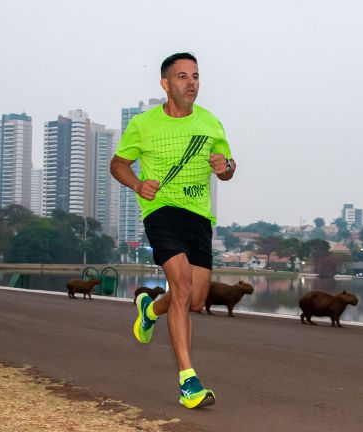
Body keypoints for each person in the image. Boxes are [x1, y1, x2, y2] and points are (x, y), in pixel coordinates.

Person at [110, 52, 235, 409]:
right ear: (165, 84)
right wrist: (137, 185)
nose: (191, 82)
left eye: (195, 75)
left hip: (199, 216)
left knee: (194, 300)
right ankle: (188, 382)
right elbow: (118, 164)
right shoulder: (144, 125)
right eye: (182, 76)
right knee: (179, 288)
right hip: (161, 211)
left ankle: (149, 310)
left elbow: (228, 169)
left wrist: (225, 166)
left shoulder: (211, 123)